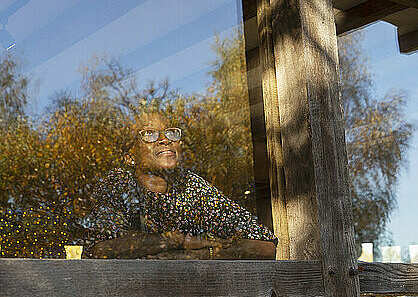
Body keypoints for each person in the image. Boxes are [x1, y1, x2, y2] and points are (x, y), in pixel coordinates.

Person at [84, 110, 276, 260]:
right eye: (149, 134)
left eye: (171, 133)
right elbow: (100, 249)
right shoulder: (119, 184)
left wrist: (201, 255)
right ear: (130, 157)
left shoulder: (191, 186)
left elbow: (265, 246)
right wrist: (176, 240)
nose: (165, 140)